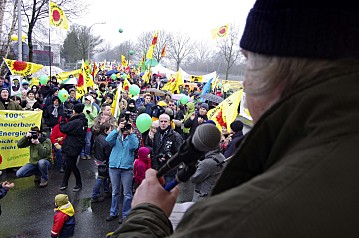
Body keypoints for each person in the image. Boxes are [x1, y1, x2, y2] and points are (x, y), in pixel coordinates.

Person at [109, 1, 359, 237]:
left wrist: (146, 215)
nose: (246, 83)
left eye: (248, 61)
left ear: (282, 66)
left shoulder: (243, 215)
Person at [105, 117, 139, 223]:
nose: (125, 127)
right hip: (114, 166)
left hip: (126, 168)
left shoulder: (132, 136)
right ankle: (113, 213)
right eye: (124, 124)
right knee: (115, 192)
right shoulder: (116, 135)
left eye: (128, 125)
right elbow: (108, 140)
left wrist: (131, 133)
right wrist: (117, 129)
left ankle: (125, 214)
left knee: (127, 193)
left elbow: (134, 146)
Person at [59, 103, 87, 192]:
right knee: (69, 164)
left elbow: (63, 128)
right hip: (75, 145)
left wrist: (63, 119)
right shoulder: (81, 120)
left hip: (72, 146)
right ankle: (65, 182)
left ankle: (78, 183)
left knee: (71, 165)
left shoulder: (76, 122)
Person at [152, 113, 183, 184]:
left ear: (169, 123)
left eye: (165, 121)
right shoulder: (156, 134)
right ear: (159, 122)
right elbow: (154, 151)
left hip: (169, 171)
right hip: (158, 169)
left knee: (167, 193)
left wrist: (168, 158)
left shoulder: (175, 136)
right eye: (161, 121)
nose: (163, 123)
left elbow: (180, 154)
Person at [91, 122, 112, 203]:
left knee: (104, 176)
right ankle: (94, 196)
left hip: (98, 159)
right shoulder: (106, 141)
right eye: (110, 130)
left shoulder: (99, 137)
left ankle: (106, 191)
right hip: (103, 161)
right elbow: (108, 154)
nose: (111, 131)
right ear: (106, 130)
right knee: (101, 178)